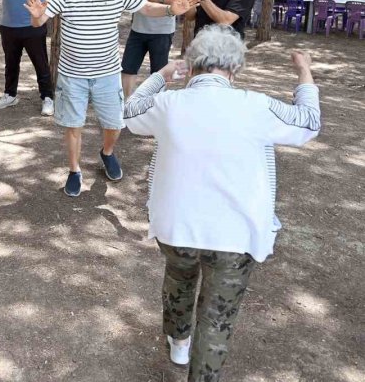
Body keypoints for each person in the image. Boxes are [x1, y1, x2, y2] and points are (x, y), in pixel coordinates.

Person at [123, 25, 320, 381]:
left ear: (193, 64)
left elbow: (131, 112)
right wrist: (304, 72)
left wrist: (162, 75)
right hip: (235, 233)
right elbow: (308, 123)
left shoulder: (169, 104)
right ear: (235, 68)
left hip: (176, 227)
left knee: (179, 278)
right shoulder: (257, 105)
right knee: (217, 317)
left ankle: (178, 342)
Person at [24, 0, 197, 197]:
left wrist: (172, 9)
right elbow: (41, 18)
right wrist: (37, 18)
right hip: (73, 75)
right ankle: (74, 171)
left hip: (107, 73)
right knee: (74, 126)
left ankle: (106, 152)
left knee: (115, 124)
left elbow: (146, 8)